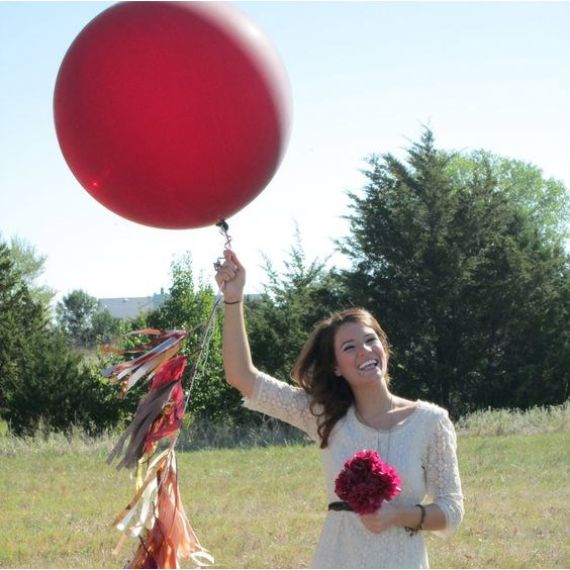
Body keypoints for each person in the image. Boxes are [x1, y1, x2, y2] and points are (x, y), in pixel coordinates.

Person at [215, 249, 464, 569]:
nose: (364, 351)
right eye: (350, 347)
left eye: (370, 340)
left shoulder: (431, 421)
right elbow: (242, 377)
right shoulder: (324, 416)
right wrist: (233, 300)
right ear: (335, 367)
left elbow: (451, 511)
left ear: (384, 348)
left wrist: (397, 515)